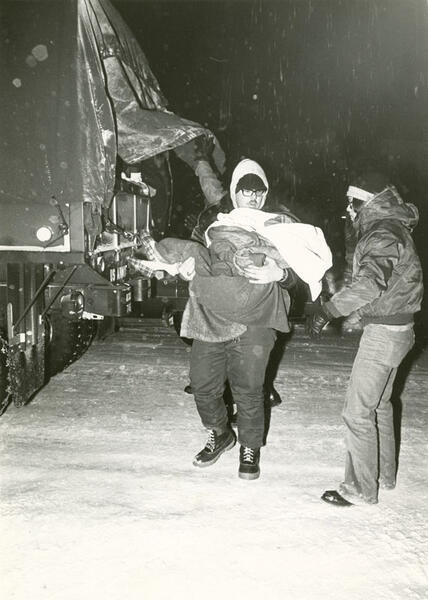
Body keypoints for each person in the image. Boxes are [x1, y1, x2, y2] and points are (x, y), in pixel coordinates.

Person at [180, 158, 304, 480]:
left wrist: (282, 273)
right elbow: (197, 256)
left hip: (258, 317)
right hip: (214, 315)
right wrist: (186, 267)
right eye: (246, 190)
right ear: (235, 192)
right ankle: (220, 433)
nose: (254, 196)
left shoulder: (281, 224)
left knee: (249, 388)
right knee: (204, 385)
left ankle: (250, 446)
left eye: (259, 190)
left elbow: (305, 269)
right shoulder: (212, 221)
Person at [306, 172, 424, 506]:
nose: (349, 207)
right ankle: (384, 476)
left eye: (353, 201)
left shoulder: (381, 231)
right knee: (380, 405)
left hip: (385, 334)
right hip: (400, 329)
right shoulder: (392, 226)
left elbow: (371, 284)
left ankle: (359, 488)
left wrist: (328, 310)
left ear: (368, 201)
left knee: (357, 411)